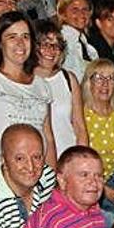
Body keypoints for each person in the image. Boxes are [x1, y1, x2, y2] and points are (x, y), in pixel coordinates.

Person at [0, 10, 56, 174]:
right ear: (0, 42)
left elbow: (48, 139)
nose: (20, 43)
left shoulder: (42, 86)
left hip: (36, 182)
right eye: (12, 36)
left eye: (25, 36)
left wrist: (51, 184)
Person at [33, 20, 89, 156]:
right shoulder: (24, 80)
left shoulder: (68, 79)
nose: (51, 50)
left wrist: (81, 160)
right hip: (34, 160)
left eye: (56, 46)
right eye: (45, 44)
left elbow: (80, 127)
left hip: (67, 157)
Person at [81, 58, 114, 182]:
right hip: (86, 180)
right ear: (89, 82)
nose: (105, 84)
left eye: (111, 78)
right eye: (99, 78)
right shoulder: (80, 113)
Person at [58, 0, 97, 81]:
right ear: (63, 14)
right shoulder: (60, 42)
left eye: (85, 9)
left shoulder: (88, 46)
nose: (81, 14)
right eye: (75, 10)